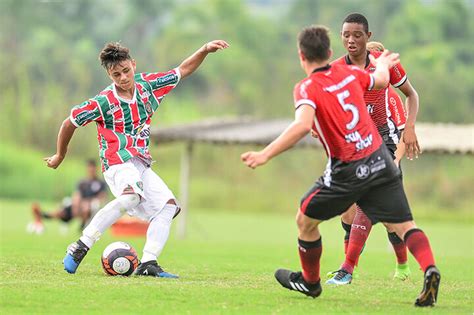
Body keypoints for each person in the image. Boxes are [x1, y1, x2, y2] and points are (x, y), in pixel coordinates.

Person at [241, 25, 439, 307]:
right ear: (330, 53)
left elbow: (301, 126)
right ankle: (430, 268)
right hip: (380, 159)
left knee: (304, 220)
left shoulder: (306, 87)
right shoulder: (350, 73)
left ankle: (311, 283)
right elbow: (381, 79)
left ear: (301, 56)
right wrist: (382, 63)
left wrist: (265, 154)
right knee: (405, 225)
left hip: (347, 168)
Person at [44, 39, 229, 277]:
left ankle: (148, 264)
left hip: (140, 162)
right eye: (115, 74)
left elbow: (183, 70)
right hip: (116, 162)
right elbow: (69, 122)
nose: (122, 77)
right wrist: (60, 154)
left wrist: (203, 50)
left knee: (168, 207)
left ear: (133, 64)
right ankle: (81, 245)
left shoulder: (148, 85)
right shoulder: (103, 102)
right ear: (109, 76)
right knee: (131, 197)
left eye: (125, 71)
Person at [327, 13, 422, 284]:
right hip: (359, 145)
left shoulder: (388, 94)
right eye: (347, 35)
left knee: (374, 211)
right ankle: (422, 267)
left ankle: (352, 269)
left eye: (359, 36)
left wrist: (396, 157)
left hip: (386, 146)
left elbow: (403, 125)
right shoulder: (343, 73)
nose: (352, 41)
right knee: (348, 211)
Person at [29, 159, 107, 233]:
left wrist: (89, 202)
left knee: (86, 208)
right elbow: (77, 194)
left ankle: (82, 229)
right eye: (89, 168)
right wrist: (76, 205)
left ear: (96, 169)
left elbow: (102, 196)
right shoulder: (82, 182)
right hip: (79, 205)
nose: (91, 170)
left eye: (92, 168)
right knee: (61, 212)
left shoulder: (100, 182)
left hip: (92, 207)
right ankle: (42, 215)